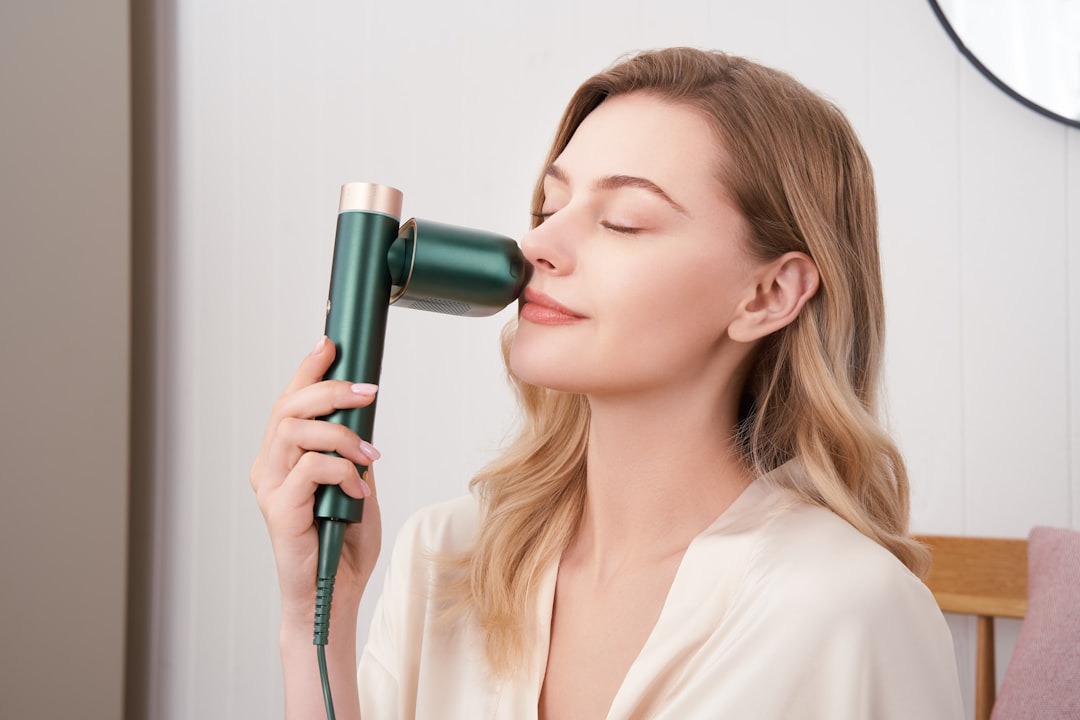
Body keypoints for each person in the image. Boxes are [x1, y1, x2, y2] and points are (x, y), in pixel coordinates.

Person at [251, 47, 963, 719]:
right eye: (546, 209)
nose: (535, 247)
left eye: (621, 222)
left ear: (769, 295)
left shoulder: (850, 610)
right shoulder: (446, 558)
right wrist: (312, 622)